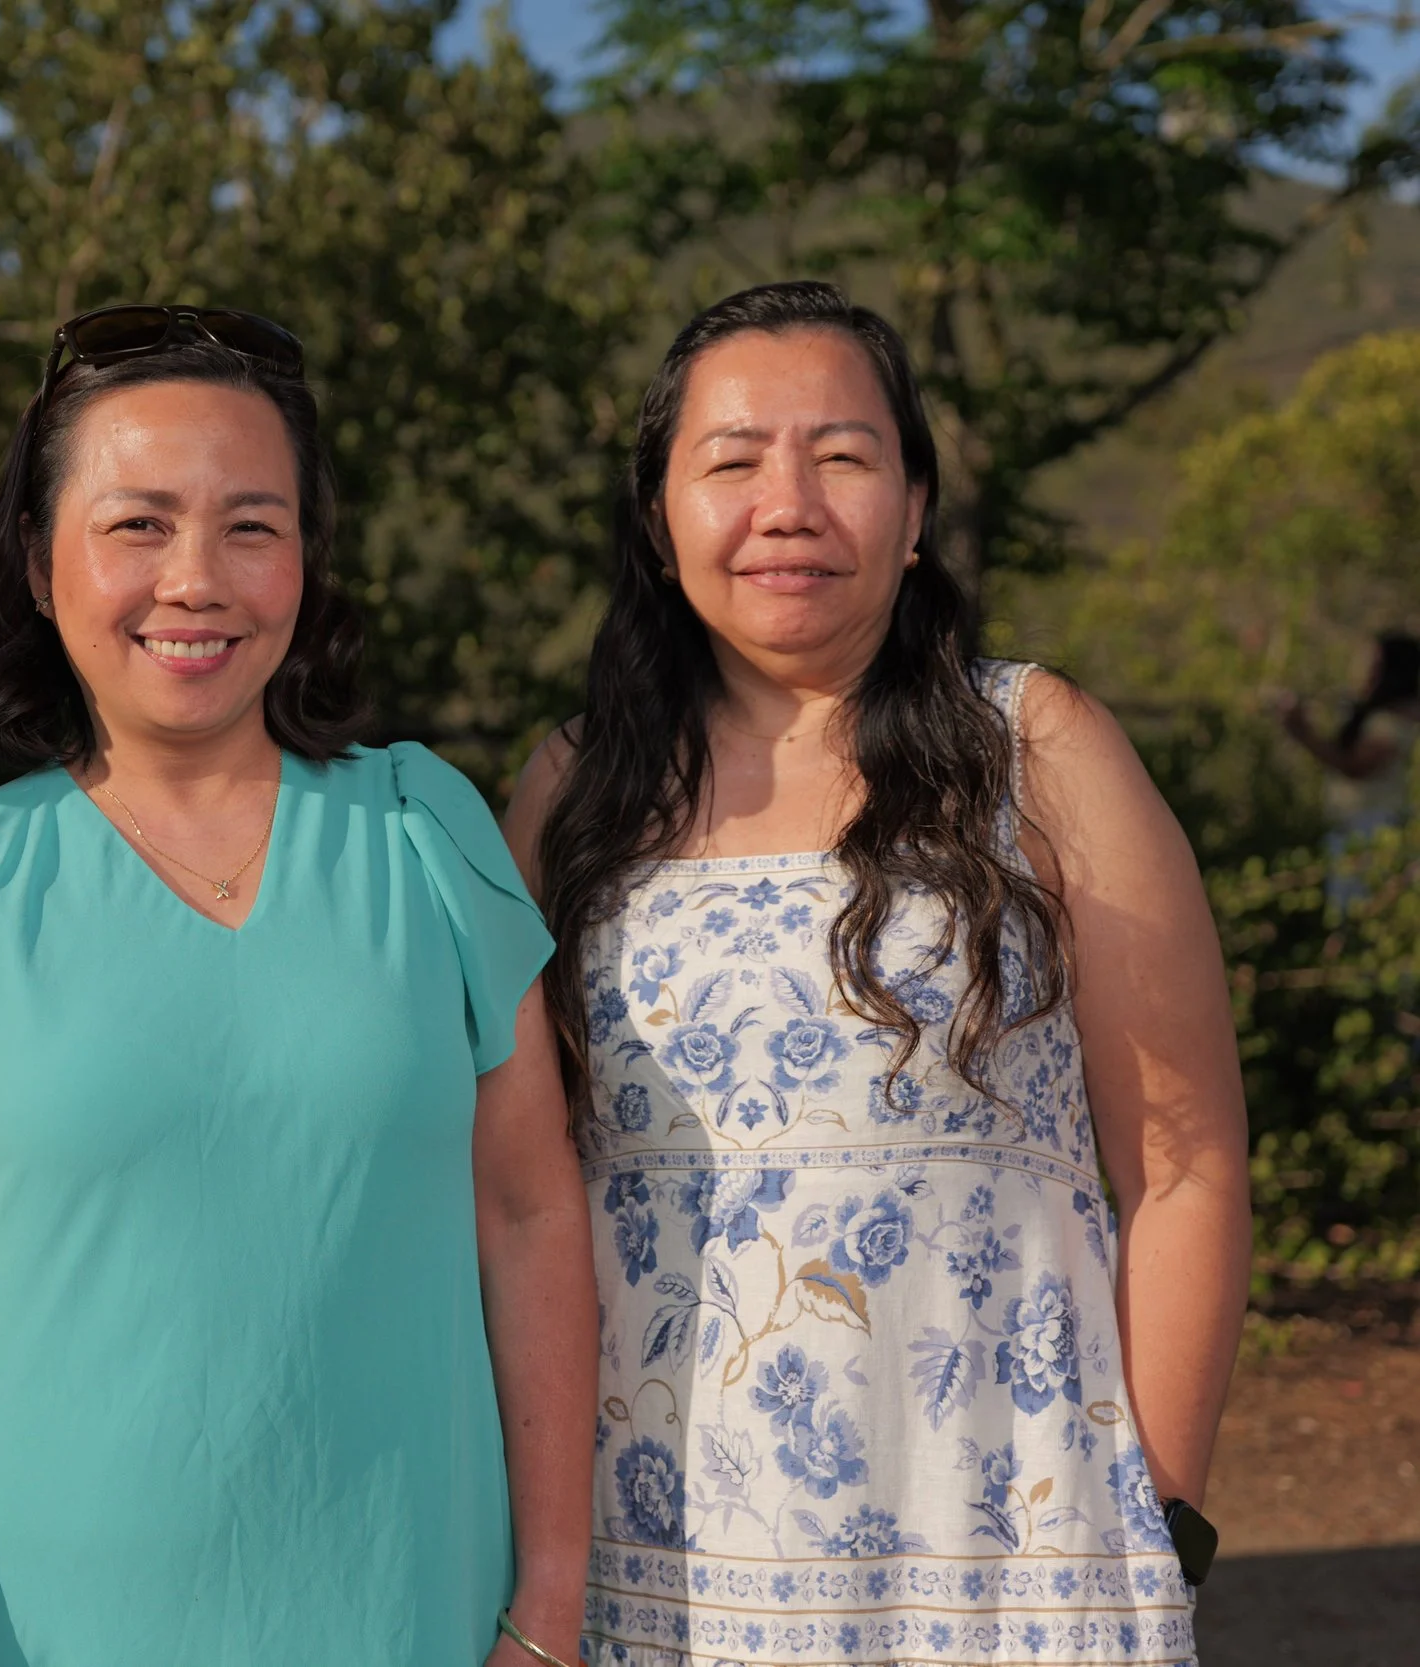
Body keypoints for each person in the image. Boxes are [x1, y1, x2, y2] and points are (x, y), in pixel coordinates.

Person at [0, 306, 597, 1667]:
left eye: (252, 524)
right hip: (43, 1627)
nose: (198, 579)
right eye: (137, 524)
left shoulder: (427, 833)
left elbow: (530, 1212)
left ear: (306, 559)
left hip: (414, 1609)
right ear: (43, 562)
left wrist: (551, 1601)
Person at [504, 281, 1250, 1665]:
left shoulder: (1035, 746)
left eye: (842, 455)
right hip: (653, 1572)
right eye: (731, 461)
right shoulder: (571, 789)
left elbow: (1185, 1162)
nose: (786, 503)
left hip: (1006, 1562)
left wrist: (1168, 1514)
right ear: (661, 518)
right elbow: (510, 1193)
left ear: (913, 512)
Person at [1280, 629, 1420, 849]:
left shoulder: (1392, 723)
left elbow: (1355, 765)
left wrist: (1304, 735)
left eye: (1376, 664)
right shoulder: (1381, 715)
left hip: (1371, 831)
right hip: (1355, 828)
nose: (1368, 671)